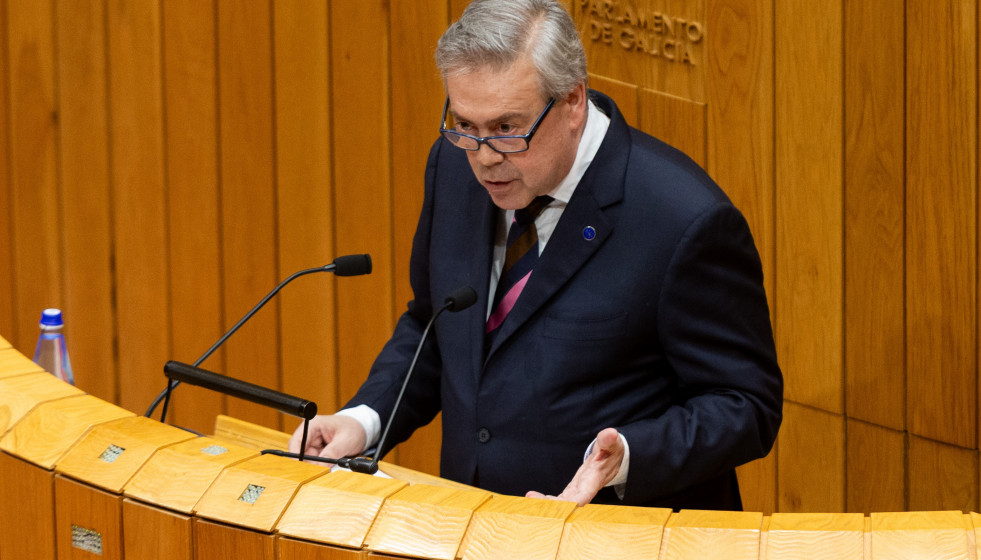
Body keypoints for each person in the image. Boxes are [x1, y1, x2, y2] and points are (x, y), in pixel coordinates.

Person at [290, 0, 782, 510]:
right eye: (465, 123)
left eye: (507, 128)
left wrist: (629, 456)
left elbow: (746, 406)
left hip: (613, 537)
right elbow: (435, 326)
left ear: (572, 101)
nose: (483, 157)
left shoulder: (683, 220)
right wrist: (364, 419)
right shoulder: (453, 167)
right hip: (473, 526)